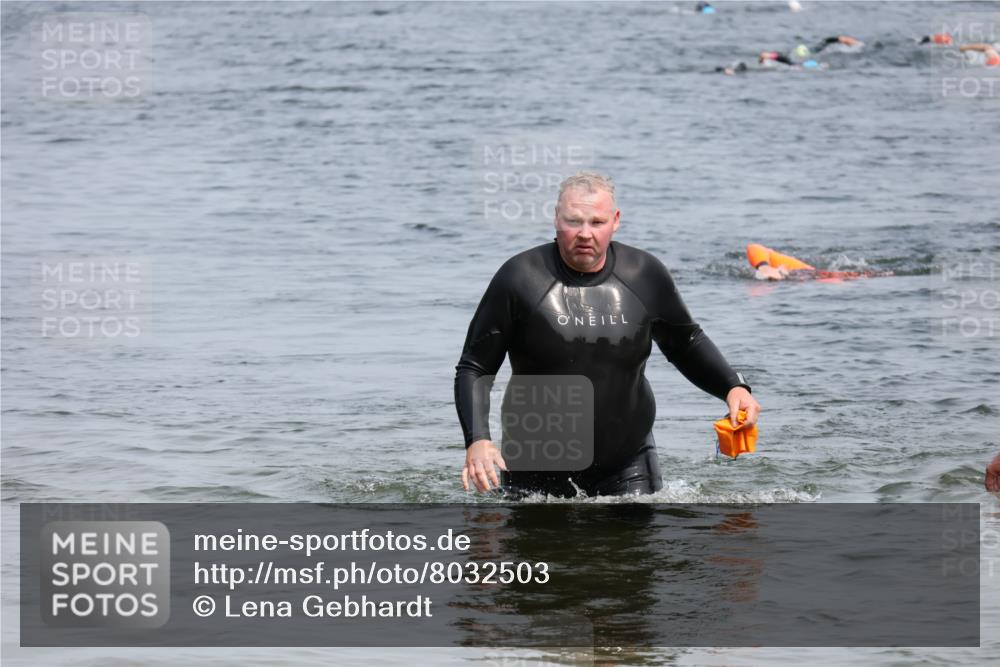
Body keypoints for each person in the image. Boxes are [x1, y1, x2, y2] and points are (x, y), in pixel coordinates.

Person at [455, 173, 760, 497]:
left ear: (615, 221)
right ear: (556, 219)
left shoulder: (644, 274)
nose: (585, 233)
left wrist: (732, 386)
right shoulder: (519, 278)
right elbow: (475, 367)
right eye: (574, 221)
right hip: (535, 461)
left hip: (628, 461)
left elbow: (686, 342)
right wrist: (478, 440)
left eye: (596, 222)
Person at [747, 243, 893, 281]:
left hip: (816, 277)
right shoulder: (770, 262)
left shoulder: (785, 266)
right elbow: (754, 247)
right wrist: (765, 267)